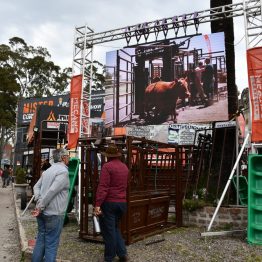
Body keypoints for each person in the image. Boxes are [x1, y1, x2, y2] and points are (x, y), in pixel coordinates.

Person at [32, 148, 70, 262]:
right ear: (63, 157)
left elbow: (36, 187)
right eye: (68, 156)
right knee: (51, 244)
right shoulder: (63, 172)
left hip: (43, 212)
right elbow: (53, 191)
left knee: (41, 240)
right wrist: (41, 205)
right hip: (54, 213)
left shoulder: (47, 171)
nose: (69, 158)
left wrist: (39, 200)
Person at [94, 144, 129, 262]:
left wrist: (98, 204)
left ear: (108, 156)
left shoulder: (107, 167)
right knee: (115, 228)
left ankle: (109, 258)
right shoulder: (125, 167)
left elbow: (103, 187)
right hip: (122, 202)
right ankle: (122, 253)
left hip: (109, 202)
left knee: (108, 232)